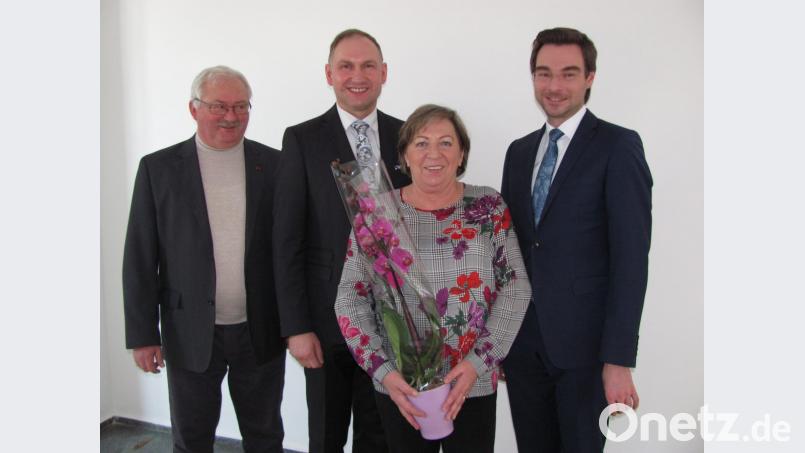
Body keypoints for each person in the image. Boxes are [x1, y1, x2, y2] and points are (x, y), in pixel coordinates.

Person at [334, 104, 531, 453]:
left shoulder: (487, 205)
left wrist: (477, 364)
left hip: (472, 382)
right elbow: (350, 298)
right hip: (403, 390)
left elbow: (516, 286)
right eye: (422, 143)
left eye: (446, 142)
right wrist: (385, 374)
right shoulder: (377, 215)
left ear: (461, 153)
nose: (433, 154)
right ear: (405, 156)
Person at [500, 27, 653, 452]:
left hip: (587, 353)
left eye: (568, 74)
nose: (554, 86)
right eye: (544, 73)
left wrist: (618, 359)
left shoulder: (618, 146)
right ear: (532, 77)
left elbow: (631, 260)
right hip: (523, 349)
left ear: (590, 78)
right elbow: (511, 253)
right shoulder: (518, 152)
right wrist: (499, 340)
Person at [122, 65, 286, 453]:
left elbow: (289, 250)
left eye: (241, 106)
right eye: (218, 106)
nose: (231, 117)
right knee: (191, 439)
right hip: (189, 330)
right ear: (193, 109)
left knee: (265, 437)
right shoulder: (157, 169)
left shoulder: (276, 165)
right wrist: (143, 335)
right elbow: (140, 256)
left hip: (259, 328)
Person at [272, 29, 410, 453]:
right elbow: (286, 240)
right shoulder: (302, 139)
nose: (358, 75)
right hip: (326, 323)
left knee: (381, 437)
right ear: (328, 74)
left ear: (384, 72)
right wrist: (296, 327)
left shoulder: (408, 135)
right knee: (327, 436)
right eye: (346, 66)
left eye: (368, 65)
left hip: (394, 325)